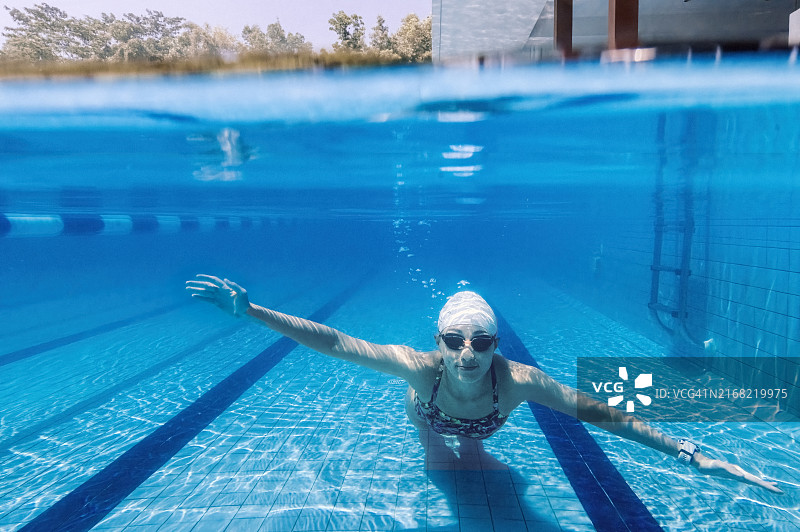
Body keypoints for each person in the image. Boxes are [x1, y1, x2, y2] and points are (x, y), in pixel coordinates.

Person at [185, 274, 783, 494]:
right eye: (454, 341)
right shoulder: (418, 367)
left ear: (498, 343)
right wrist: (255, 312)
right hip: (429, 415)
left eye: (483, 341)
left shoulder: (522, 381)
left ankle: (470, 449)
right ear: (438, 341)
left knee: (477, 448)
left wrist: (689, 452)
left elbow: (606, 415)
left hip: (488, 418)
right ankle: (446, 451)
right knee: (438, 455)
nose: (468, 353)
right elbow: (337, 342)